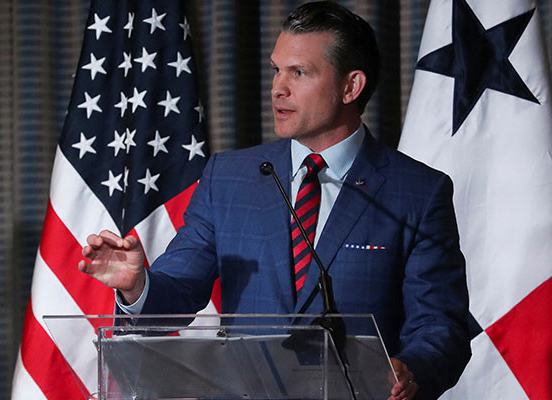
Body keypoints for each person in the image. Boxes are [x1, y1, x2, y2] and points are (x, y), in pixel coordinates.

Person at [79, 2, 471, 399]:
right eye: (276, 70)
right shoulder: (228, 178)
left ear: (350, 87)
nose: (278, 88)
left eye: (299, 73)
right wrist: (137, 286)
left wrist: (411, 370)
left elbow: (441, 327)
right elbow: (180, 288)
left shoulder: (417, 191)